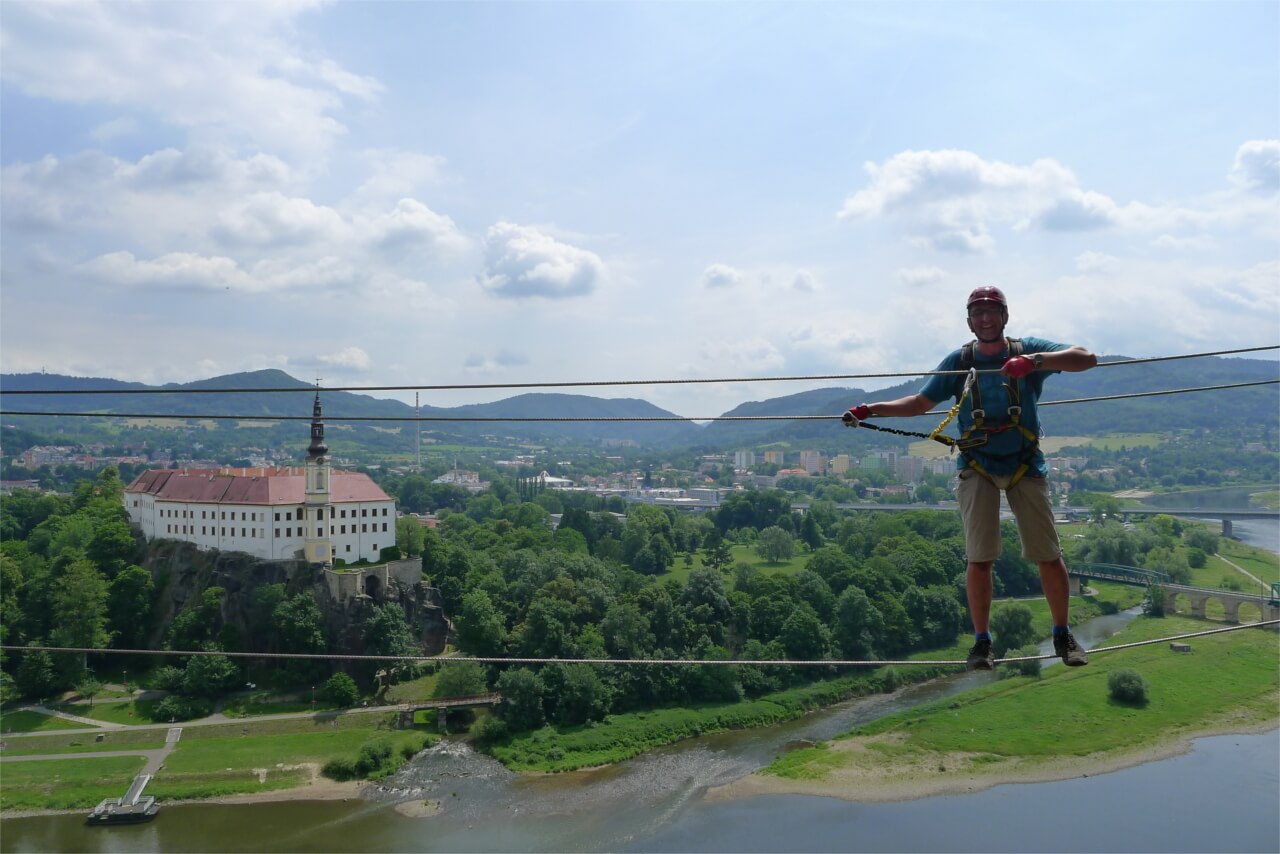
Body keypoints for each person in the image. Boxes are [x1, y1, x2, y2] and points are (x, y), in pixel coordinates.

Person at [843, 286, 1097, 669]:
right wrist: (870, 409)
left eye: (992, 311)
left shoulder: (1026, 350)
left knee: (1048, 555)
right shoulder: (960, 360)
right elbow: (920, 403)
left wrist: (1035, 361)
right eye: (978, 313)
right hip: (977, 464)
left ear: (1004, 316)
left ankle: (1062, 635)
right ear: (969, 321)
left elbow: (1086, 358)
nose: (985, 318)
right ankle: (982, 643)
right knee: (979, 558)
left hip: (1025, 462)